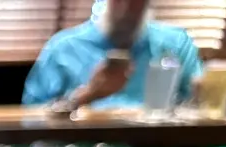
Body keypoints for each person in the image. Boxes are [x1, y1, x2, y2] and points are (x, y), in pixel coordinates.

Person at [23, 0, 202, 109]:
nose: (126, 7)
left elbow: (197, 105)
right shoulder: (63, 49)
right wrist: (88, 94)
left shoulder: (175, 44)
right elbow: (31, 120)